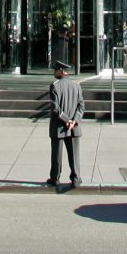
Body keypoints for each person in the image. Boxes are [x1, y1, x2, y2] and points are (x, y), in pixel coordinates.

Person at [37, 59, 84, 192]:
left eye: (55, 70)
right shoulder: (76, 85)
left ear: (61, 71)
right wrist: (74, 121)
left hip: (59, 126)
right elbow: (81, 106)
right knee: (74, 154)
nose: (54, 72)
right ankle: (76, 178)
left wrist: (66, 120)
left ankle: (55, 178)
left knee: (56, 154)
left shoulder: (55, 86)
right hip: (74, 127)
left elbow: (55, 109)